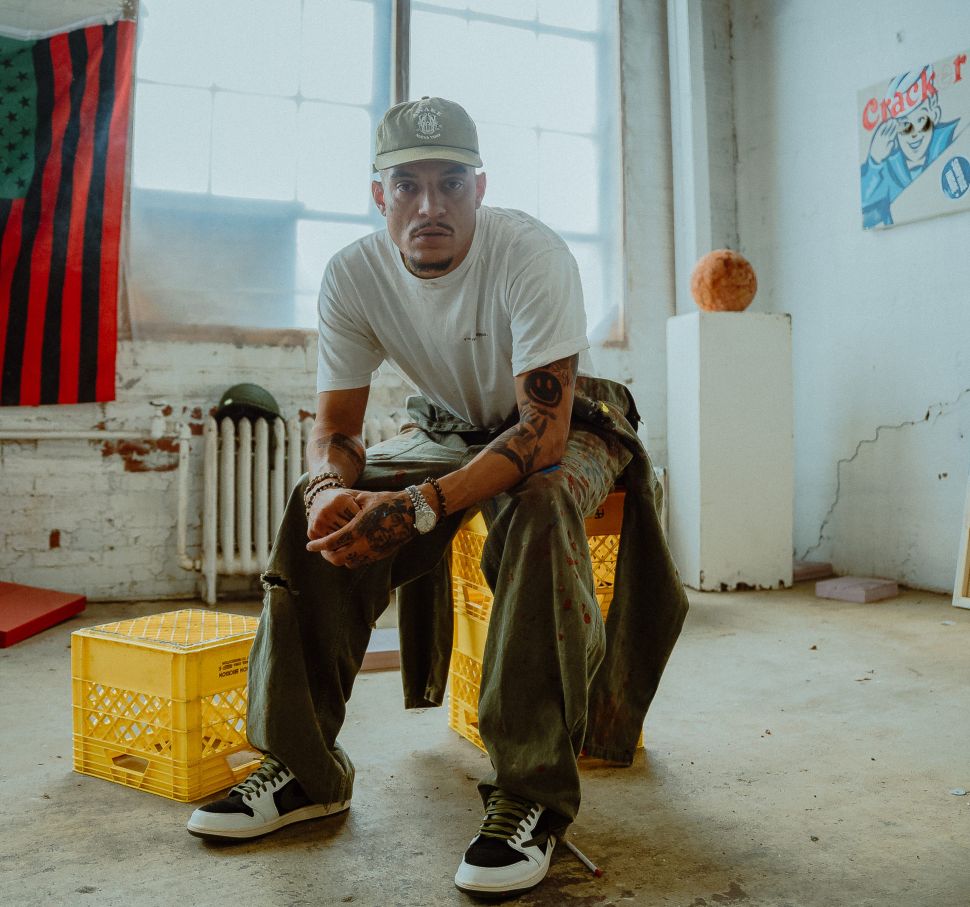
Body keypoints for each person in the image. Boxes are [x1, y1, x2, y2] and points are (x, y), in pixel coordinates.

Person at [186, 97, 688, 899]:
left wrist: (422, 505)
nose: (430, 206)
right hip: (451, 425)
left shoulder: (530, 255)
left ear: (479, 189)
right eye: (407, 185)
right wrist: (325, 489)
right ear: (378, 195)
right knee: (312, 506)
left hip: (566, 417)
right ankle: (304, 770)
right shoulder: (353, 273)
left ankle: (531, 799)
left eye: (450, 183)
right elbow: (338, 432)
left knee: (542, 502)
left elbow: (540, 437)